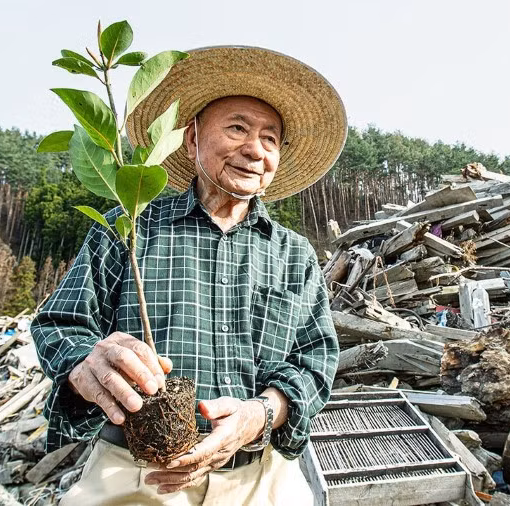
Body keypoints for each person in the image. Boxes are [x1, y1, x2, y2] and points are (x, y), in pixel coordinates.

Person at [31, 45, 347, 505]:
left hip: (260, 478)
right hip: (134, 474)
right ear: (193, 139)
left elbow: (315, 364)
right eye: (237, 128)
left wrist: (259, 414)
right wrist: (86, 365)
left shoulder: (293, 254)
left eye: (271, 138)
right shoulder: (129, 225)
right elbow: (60, 325)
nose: (255, 149)